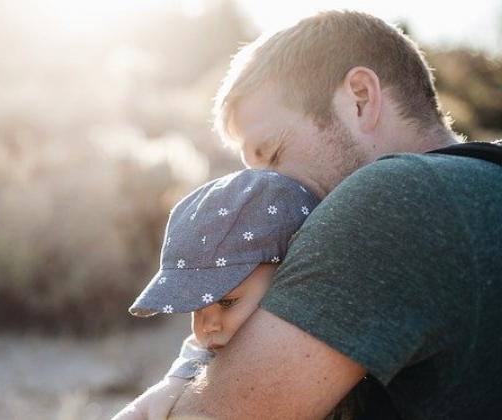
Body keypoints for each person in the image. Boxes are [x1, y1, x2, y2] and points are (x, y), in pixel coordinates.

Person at [116, 9, 502, 420]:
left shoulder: (392, 199)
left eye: (274, 154)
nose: (265, 193)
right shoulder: (481, 181)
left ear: (360, 98)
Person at [113, 169, 319, 420]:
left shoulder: (321, 342)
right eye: (197, 307)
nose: (207, 326)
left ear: (289, 274)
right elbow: (196, 351)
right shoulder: (218, 346)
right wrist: (173, 384)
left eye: (227, 301)